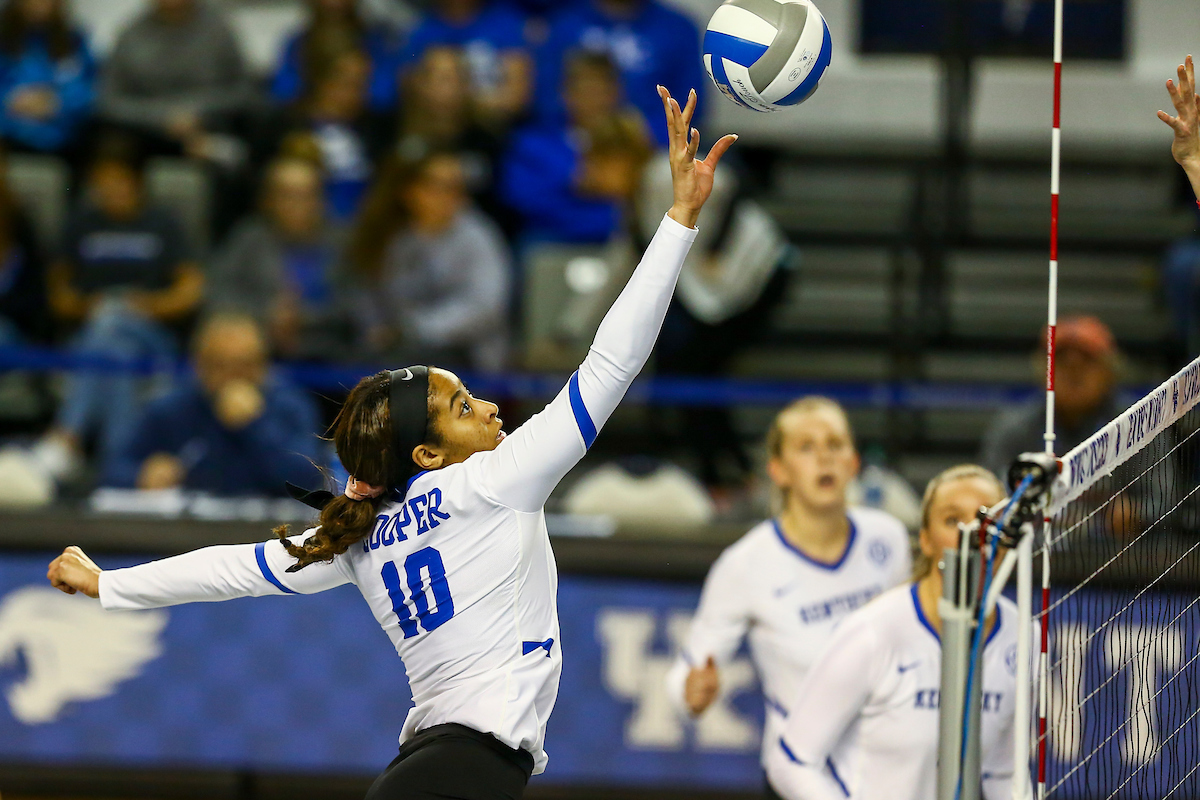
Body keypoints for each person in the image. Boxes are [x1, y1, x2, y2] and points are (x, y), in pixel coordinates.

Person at [47, 87, 737, 800]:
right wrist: (680, 220)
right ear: (428, 455)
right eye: (463, 407)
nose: (491, 408)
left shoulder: (365, 531)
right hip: (462, 766)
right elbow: (612, 363)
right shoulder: (496, 481)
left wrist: (110, 585)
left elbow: (234, 570)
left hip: (439, 767)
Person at [665, 397, 912, 797]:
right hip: (801, 776)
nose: (824, 458)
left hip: (888, 770)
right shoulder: (745, 564)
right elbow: (689, 670)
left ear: (853, 462)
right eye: (806, 447)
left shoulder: (889, 538)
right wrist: (690, 693)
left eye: (835, 444)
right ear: (778, 470)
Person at [764, 465, 1021, 800]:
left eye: (986, 521)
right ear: (926, 541)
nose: (971, 534)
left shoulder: (1019, 635)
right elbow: (790, 761)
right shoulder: (873, 632)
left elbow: (1001, 772)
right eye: (952, 520)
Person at [36, 135, 202, 481]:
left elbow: (190, 290)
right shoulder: (82, 224)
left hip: (154, 338)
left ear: (138, 183)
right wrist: (90, 306)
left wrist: (144, 306)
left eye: (119, 182)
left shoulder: (162, 224)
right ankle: (117, 470)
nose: (111, 190)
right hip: (96, 335)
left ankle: (68, 434)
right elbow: (59, 295)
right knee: (116, 350)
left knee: (112, 318)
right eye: (102, 183)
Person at [638, 154, 793, 490]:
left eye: (590, 163)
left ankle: (727, 473)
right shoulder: (638, 198)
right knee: (695, 371)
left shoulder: (658, 177)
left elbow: (733, 186)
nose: (579, 175)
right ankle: (730, 470)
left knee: (696, 368)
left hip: (755, 275)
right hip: (715, 288)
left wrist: (718, 245)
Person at [103, 315, 325, 497]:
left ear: (264, 366)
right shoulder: (172, 408)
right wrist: (141, 476)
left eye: (245, 365)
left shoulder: (290, 406)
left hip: (267, 535)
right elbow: (109, 470)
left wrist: (255, 424)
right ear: (199, 367)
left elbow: (308, 479)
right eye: (220, 366)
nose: (233, 377)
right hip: (188, 533)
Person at [349, 149, 512, 371]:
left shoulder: (479, 237)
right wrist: (377, 329)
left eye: (455, 187)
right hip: (402, 347)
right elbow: (374, 297)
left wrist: (416, 329)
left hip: (466, 354)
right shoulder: (394, 236)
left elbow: (485, 310)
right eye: (437, 186)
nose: (449, 195)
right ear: (410, 191)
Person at [208, 155, 355, 361]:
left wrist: (304, 317)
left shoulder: (342, 243)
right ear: (268, 199)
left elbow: (355, 301)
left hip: (332, 350)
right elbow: (219, 291)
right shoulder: (249, 238)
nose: (297, 204)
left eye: (307, 195)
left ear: (321, 200)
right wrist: (265, 314)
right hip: (258, 348)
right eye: (287, 195)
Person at [501, 51, 651, 244]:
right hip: (552, 242)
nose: (593, 100)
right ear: (566, 94)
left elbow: (642, 204)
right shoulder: (532, 144)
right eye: (584, 90)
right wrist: (572, 180)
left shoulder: (636, 138)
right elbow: (521, 198)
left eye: (600, 91)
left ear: (617, 93)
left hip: (622, 242)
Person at [535, 0, 705, 148]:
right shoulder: (562, 26)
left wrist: (635, 134)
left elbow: (691, 104)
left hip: (651, 149)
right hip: (569, 145)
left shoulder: (678, 29)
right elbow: (545, 99)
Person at [256, 39, 392, 221]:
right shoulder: (284, 127)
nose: (357, 93)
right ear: (321, 80)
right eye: (347, 82)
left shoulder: (376, 129)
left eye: (362, 83)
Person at [99, 0, 253, 160]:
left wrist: (198, 112)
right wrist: (160, 117)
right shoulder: (130, 35)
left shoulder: (219, 30)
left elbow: (243, 90)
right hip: (145, 134)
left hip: (212, 127)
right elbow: (110, 100)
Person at [979, 315, 1121, 482]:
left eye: (1085, 364)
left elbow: (1156, 494)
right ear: (1043, 372)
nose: (1073, 374)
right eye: (1062, 364)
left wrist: (1135, 508)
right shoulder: (1013, 430)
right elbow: (994, 492)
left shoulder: (1133, 424)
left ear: (1108, 372)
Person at [397, 46, 506, 228]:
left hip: (471, 235)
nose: (448, 89)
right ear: (420, 84)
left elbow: (499, 204)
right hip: (409, 231)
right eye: (439, 79)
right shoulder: (396, 134)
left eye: (456, 79)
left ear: (467, 86)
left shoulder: (487, 140)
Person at [403, 0, 533, 127]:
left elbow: (515, 99)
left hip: (492, 132)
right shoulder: (421, 29)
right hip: (432, 129)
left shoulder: (505, 25)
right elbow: (408, 94)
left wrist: (460, 99)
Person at [0, 0, 95, 158]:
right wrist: (11, 100)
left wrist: (57, 102)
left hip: (63, 134)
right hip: (9, 129)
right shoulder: (4, 39)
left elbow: (89, 87)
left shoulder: (74, 40)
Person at [272, 0, 403, 113]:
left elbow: (385, 94)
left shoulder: (376, 43)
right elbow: (283, 92)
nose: (335, 3)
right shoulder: (297, 44)